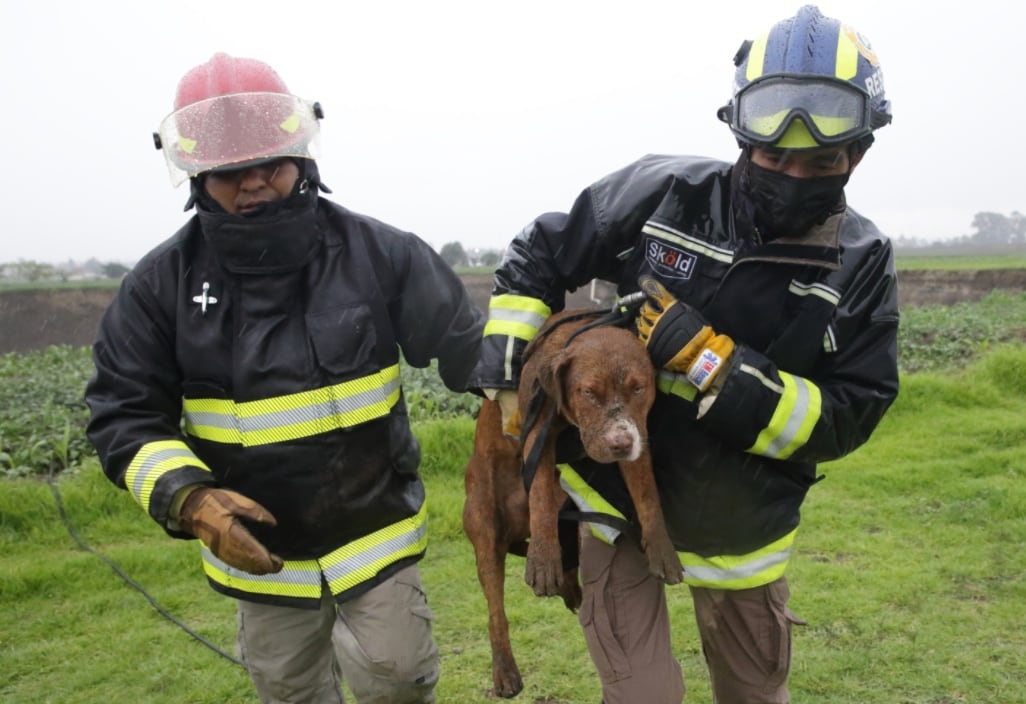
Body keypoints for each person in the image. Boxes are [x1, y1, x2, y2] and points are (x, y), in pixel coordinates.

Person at [472, 6, 899, 703]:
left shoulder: (862, 262)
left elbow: (850, 415)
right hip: (612, 506)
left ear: (858, 152)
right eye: (772, 155)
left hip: (740, 528)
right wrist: (503, 375)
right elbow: (540, 253)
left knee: (753, 694)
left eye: (820, 160)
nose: (793, 173)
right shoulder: (664, 191)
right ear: (739, 133)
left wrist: (713, 364)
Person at [85, 52, 483, 704]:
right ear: (195, 175)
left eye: (269, 163)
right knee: (290, 695)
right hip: (260, 557)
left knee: (399, 681)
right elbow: (122, 413)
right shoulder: (160, 287)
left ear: (300, 154)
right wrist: (188, 499)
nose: (253, 183)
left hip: (374, 539)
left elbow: (474, 353)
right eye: (228, 171)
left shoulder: (379, 253)